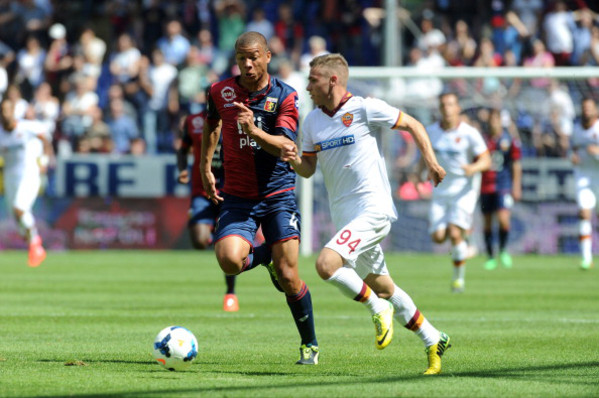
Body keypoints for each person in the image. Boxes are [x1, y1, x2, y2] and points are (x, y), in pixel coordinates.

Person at [282, 53, 451, 375]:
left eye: (313, 80)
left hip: (373, 209)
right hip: (344, 215)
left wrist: (430, 162)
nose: (306, 86)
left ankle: (377, 308)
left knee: (326, 264)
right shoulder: (312, 121)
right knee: (384, 285)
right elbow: (307, 170)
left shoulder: (363, 107)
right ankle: (433, 338)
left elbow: (412, 123)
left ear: (333, 80)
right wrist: (291, 158)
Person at [200, 32, 319, 365]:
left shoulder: (286, 96)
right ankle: (266, 256)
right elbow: (211, 125)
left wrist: (254, 131)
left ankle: (309, 343)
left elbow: (286, 147)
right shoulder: (219, 91)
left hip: (278, 195)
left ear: (267, 56)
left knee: (290, 277)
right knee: (228, 260)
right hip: (238, 196)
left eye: (253, 57)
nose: (247, 64)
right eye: (241, 58)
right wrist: (205, 165)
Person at [421, 93, 491, 293]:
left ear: (458, 107)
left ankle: (458, 281)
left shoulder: (469, 133)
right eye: (443, 105)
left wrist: (472, 168)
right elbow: (425, 155)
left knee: (453, 232)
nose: (447, 108)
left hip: (464, 190)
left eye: (451, 104)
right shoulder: (432, 131)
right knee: (438, 237)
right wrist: (419, 173)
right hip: (441, 190)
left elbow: (486, 160)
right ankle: (465, 243)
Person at [176, 109, 239, 312]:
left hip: (230, 191)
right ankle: (214, 234)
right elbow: (182, 148)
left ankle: (230, 293)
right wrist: (183, 169)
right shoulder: (193, 121)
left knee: (228, 247)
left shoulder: (239, 119)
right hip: (202, 191)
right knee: (199, 241)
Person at [0, 97, 50, 267]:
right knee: (16, 217)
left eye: (8, 110)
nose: (5, 114)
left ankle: (36, 243)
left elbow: (44, 138)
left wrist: (44, 159)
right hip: (10, 176)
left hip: (28, 173)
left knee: (20, 208)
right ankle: (33, 245)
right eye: (3, 110)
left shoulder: (26, 127)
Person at [480, 108, 522, 270]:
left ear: (500, 122)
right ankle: (490, 256)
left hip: (503, 185)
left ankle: (503, 250)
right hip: (485, 186)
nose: (493, 123)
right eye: (491, 120)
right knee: (488, 222)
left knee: (504, 220)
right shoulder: (482, 140)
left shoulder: (509, 140)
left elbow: (516, 163)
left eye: (496, 120)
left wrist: (516, 185)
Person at [571, 97, 599, 270]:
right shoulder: (576, 130)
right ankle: (586, 258)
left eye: (590, 107)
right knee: (584, 214)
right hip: (583, 177)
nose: (586, 111)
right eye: (584, 107)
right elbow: (572, 149)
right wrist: (572, 157)